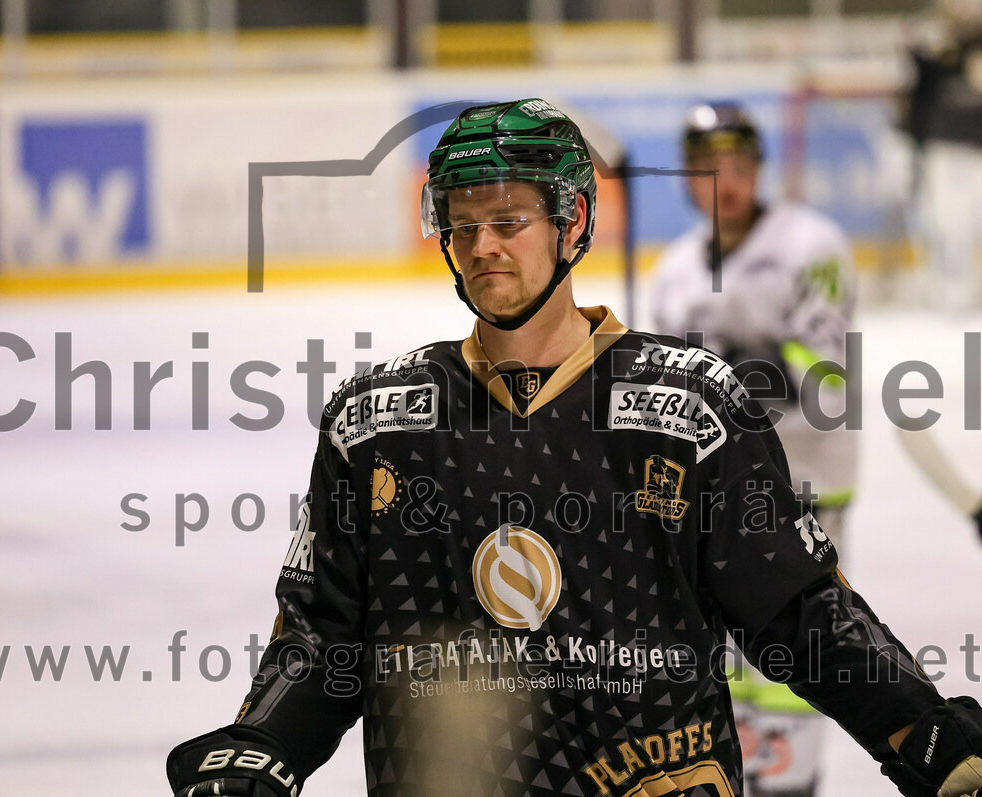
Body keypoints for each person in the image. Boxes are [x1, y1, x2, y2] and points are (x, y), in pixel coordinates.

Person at [167, 98, 982, 797]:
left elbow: (798, 609)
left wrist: (918, 729)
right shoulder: (377, 423)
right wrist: (266, 740)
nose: (482, 244)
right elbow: (324, 634)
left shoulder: (690, 408)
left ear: (574, 221)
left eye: (509, 221)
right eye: (463, 222)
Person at [649, 101, 861, 797]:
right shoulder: (674, 270)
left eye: (737, 166)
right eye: (707, 168)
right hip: (715, 499)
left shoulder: (812, 245)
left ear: (759, 168)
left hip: (803, 484)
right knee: (725, 662)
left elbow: (826, 376)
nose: (724, 181)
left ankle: (791, 783)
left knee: (799, 647)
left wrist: (731, 378)